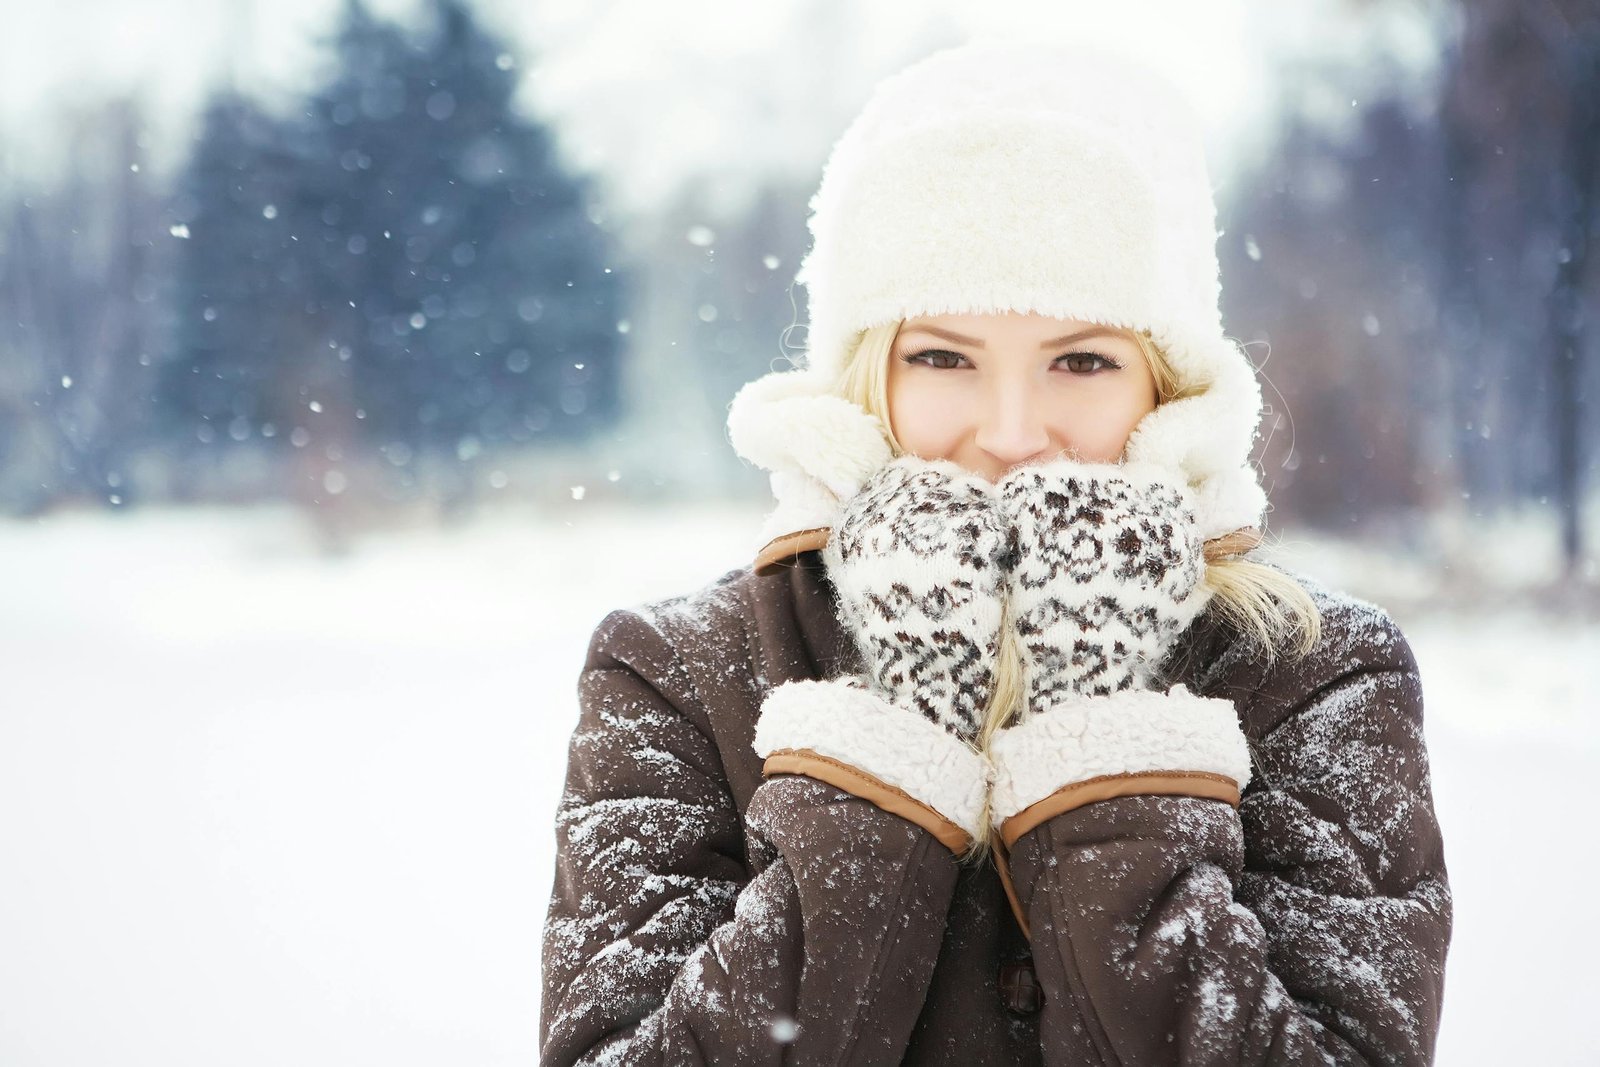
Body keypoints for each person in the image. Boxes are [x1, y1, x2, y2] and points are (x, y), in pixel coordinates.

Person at [539, 39, 1452, 1065]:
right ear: (862, 377)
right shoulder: (679, 672)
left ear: (1166, 388)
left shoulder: (1314, 671)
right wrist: (900, 735)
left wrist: (1092, 723)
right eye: (941, 356)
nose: (1013, 431)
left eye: (1081, 359)